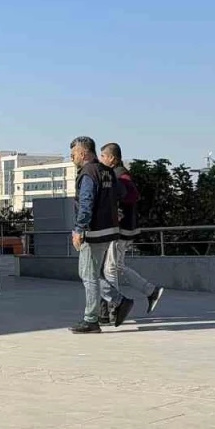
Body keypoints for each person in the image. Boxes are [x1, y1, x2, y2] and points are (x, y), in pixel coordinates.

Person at [68, 136, 129, 334]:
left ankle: (92, 319)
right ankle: (118, 301)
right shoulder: (107, 171)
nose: (72, 157)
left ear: (83, 153)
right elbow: (121, 193)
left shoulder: (88, 173)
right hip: (109, 230)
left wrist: (79, 229)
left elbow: (86, 202)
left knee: (89, 276)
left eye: (74, 154)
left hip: (92, 231)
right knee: (90, 273)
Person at [99, 143, 163, 318]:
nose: (101, 159)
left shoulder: (120, 175)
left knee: (111, 269)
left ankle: (115, 307)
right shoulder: (119, 174)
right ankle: (150, 291)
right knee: (117, 267)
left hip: (120, 229)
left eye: (103, 156)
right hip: (125, 228)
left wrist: (117, 209)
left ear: (112, 158)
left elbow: (132, 195)